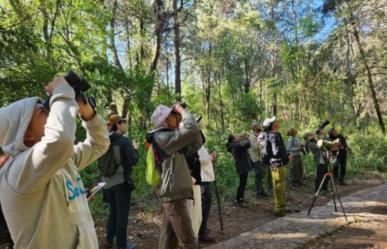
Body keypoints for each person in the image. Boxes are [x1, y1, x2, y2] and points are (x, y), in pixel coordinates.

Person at [0, 77, 110, 248]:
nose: (51, 112)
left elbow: (99, 144)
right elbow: (60, 139)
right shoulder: (17, 172)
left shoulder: (62, 161)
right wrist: (62, 92)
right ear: (26, 135)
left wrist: (88, 114)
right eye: (43, 111)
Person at [148, 103, 201, 249]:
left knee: (169, 238)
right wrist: (183, 111)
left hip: (174, 193)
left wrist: (191, 123)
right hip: (173, 195)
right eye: (173, 114)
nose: (177, 116)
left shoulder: (172, 137)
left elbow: (196, 143)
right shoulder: (161, 137)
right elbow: (191, 130)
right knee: (189, 241)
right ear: (164, 120)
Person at [103, 114, 139, 249]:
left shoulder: (104, 140)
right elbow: (133, 160)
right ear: (118, 124)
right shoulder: (124, 141)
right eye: (123, 122)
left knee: (113, 212)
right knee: (122, 215)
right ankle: (121, 245)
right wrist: (135, 150)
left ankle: (108, 241)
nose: (125, 124)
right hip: (121, 182)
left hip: (107, 183)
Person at [262, 117, 289, 217]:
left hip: (273, 163)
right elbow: (276, 151)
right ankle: (280, 209)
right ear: (272, 125)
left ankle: (281, 207)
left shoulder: (267, 135)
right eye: (275, 122)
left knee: (278, 185)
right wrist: (286, 157)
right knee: (279, 186)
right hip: (277, 163)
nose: (278, 122)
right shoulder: (274, 135)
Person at [226, 134, 252, 207]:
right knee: (242, 183)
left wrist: (242, 139)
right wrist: (245, 138)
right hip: (242, 166)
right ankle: (238, 199)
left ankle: (241, 198)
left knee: (243, 183)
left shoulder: (234, 144)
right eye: (237, 136)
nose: (239, 137)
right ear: (234, 139)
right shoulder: (236, 145)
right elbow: (247, 145)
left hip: (241, 166)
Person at [197, 145, 216, 243]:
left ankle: (202, 228)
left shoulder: (198, 143)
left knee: (205, 206)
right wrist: (211, 157)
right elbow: (199, 160)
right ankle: (201, 233)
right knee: (204, 207)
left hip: (205, 178)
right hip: (202, 178)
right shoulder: (193, 143)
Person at [248, 121, 269, 198]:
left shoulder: (259, 135)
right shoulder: (252, 137)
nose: (259, 126)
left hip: (262, 158)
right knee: (258, 175)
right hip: (256, 159)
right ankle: (258, 193)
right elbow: (255, 147)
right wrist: (262, 143)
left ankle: (262, 191)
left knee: (262, 175)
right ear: (254, 128)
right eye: (257, 125)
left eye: (259, 125)